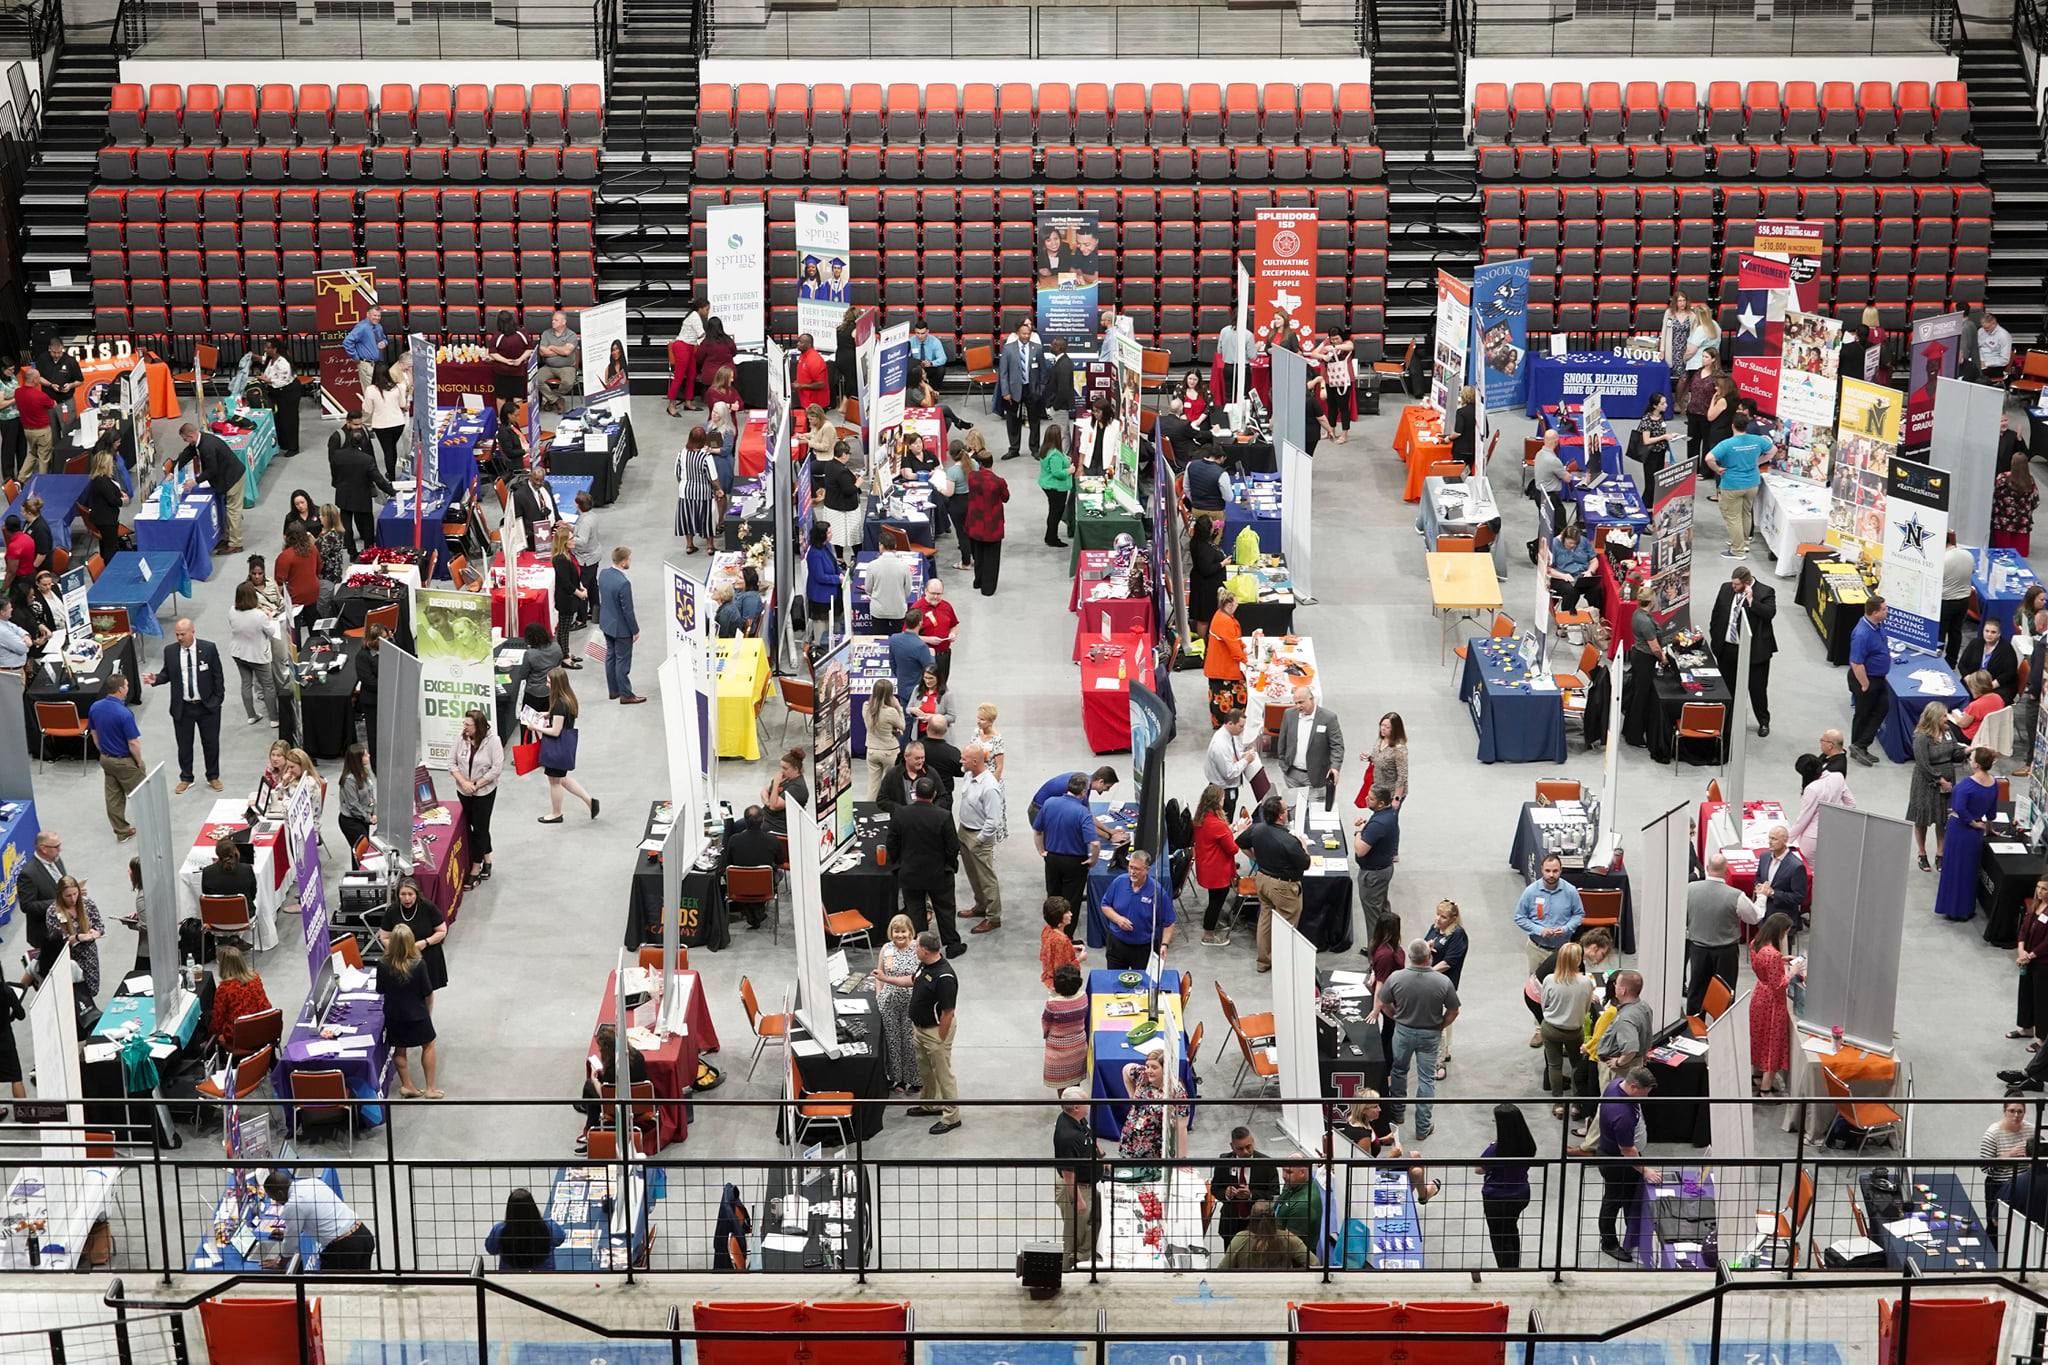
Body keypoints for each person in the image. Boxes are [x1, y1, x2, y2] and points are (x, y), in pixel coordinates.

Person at [1570, 1066, 1662, 1264]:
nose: (1646, 1096)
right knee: (1613, 1201)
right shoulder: (1622, 1115)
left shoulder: (1616, 1084)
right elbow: (1627, 1150)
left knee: (1629, 1198)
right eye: (1645, 1092)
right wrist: (1645, 1170)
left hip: (1620, 1157)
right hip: (1617, 1163)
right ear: (1633, 1086)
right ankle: (1609, 1243)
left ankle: (1633, 1236)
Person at [1376, 938, 1459, 1141]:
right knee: (1426, 1079)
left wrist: (1396, 1017)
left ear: (1410, 957)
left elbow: (1383, 1002)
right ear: (1429, 957)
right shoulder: (1442, 982)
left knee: (1398, 1071)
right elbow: (1453, 1010)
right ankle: (1422, 1127)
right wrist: (1440, 1025)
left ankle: (1397, 1114)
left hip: (1403, 1032)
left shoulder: (1397, 978)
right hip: (1429, 1035)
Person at [144, 618, 225, 792]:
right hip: (183, 707)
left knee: (211, 744)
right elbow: (167, 674)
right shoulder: (170, 651)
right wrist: (156, 679)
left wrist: (218, 699)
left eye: (183, 634)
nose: (180, 638)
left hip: (207, 707)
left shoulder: (208, 649)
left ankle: (213, 776)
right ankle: (186, 777)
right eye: (177, 634)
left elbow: (218, 675)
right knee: (184, 745)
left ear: (192, 632)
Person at [888, 775, 963, 956]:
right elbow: (953, 846)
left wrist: (899, 864)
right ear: (934, 794)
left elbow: (891, 843)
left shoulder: (901, 814)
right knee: (945, 909)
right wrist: (949, 864)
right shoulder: (943, 816)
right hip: (939, 873)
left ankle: (921, 947)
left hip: (910, 872)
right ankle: (952, 945)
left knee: (915, 910)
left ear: (914, 794)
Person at [1240, 793, 1310, 973]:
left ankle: (1263, 961)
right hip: (1284, 887)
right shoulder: (1289, 841)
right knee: (1287, 926)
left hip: (1262, 880)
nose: (1288, 812)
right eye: (1286, 810)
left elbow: (1240, 841)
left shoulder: (1257, 829)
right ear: (1280, 816)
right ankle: (1282, 964)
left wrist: (1256, 858)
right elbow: (1305, 863)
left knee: (1265, 920)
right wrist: (1304, 847)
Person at [1686, 853, 1762, 1015]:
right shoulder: (1736, 895)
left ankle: (1693, 1026)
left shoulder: (1690, 889)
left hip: (1698, 949)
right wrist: (1761, 898)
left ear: (1707, 868)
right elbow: (1754, 917)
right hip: (1725, 953)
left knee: (1697, 990)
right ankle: (1722, 1026)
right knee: (1725, 994)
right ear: (1726, 871)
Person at [1935, 747, 2002, 922]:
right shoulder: (1994, 783)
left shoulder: (1965, 786)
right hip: (1975, 834)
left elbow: (1959, 808)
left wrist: (1972, 822)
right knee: (1969, 870)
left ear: (1977, 765)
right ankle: (1965, 909)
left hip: (1960, 830)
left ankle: (1951, 908)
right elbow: (1992, 811)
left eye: (1972, 759)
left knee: (1954, 868)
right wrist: (1987, 828)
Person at [1709, 566, 1778, 736]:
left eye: (1736, 585)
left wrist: (1752, 601)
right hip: (1728, 649)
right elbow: (1717, 612)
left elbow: (1769, 613)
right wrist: (1715, 635)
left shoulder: (1765, 592)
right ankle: (1728, 720)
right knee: (1727, 687)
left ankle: (1763, 721)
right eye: (1732, 584)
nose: (1733, 587)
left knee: (1757, 689)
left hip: (1754, 652)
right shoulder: (1726, 588)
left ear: (1747, 583)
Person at [261, 1170, 376, 1271]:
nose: (277, 1202)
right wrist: (289, 1232)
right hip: (363, 1234)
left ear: (280, 1193)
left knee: (330, 1287)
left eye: (274, 1198)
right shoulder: (312, 1182)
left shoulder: (293, 1204)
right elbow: (315, 1213)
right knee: (362, 1284)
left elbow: (291, 1241)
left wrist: (280, 1263)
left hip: (344, 1249)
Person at [377, 922, 440, 1098]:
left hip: (394, 1014)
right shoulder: (418, 964)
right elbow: (428, 993)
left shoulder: (382, 964)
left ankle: (407, 1086)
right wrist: (428, 1013)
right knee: (428, 1045)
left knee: (399, 1049)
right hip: (418, 1014)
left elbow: (380, 989)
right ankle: (430, 1088)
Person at [907, 930, 961, 1134]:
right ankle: (931, 1104)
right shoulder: (925, 965)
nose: (914, 949)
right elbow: (912, 980)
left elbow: (948, 1012)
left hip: (935, 1032)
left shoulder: (945, 977)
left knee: (943, 1075)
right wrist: (885, 978)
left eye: (916, 946)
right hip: (920, 1028)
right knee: (926, 1070)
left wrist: (940, 1039)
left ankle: (952, 1117)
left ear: (925, 950)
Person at [1472, 1104, 1538, 1269]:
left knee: (1499, 1238)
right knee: (1511, 1228)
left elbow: (1479, 1169)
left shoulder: (1496, 1149)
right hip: (1521, 1193)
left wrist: (1491, 1146)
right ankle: (1514, 1266)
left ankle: (1506, 1270)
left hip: (1497, 1198)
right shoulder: (1528, 1144)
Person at [532, 667, 598, 823]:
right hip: (564, 747)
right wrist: (548, 714)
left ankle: (556, 814)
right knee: (562, 778)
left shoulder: (558, 704)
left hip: (556, 748)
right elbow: (561, 717)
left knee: (555, 782)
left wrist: (535, 727)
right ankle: (590, 802)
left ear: (556, 684)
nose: (546, 684)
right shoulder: (568, 698)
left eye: (549, 682)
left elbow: (555, 731)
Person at [956, 743, 1007, 934]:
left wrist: (980, 839)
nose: (961, 761)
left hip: (978, 836)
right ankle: (980, 906)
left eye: (964, 758)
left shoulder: (990, 787)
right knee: (972, 874)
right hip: (964, 831)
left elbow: (993, 820)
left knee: (986, 878)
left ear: (976, 761)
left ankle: (993, 917)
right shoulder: (969, 775)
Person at [447, 709, 501, 890]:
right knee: (475, 826)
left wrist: (476, 785)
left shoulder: (493, 741)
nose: (465, 727)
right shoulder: (460, 738)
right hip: (463, 791)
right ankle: (487, 858)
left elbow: (496, 768)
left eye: (468, 725)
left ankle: (476, 868)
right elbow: (451, 763)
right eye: (464, 723)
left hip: (484, 793)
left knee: (480, 828)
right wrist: (464, 782)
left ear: (478, 726)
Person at [1537, 941, 1594, 1111]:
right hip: (1574, 1031)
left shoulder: (1549, 979)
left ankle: (1558, 1103)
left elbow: (1544, 1005)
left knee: (1554, 1065)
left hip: (1551, 1028)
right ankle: (1576, 1104)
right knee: (1576, 1064)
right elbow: (1587, 1008)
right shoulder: (1586, 982)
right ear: (1578, 960)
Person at [173, 420, 246, 553]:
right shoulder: (199, 440)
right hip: (226, 476)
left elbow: (212, 470)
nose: (185, 441)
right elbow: (187, 453)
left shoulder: (207, 446)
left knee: (233, 511)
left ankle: (236, 544)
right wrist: (174, 469)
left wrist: (195, 481)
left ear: (191, 436)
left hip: (233, 478)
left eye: (185, 439)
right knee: (229, 510)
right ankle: (228, 538)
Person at [1704, 410, 1770, 558]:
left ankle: (1737, 550)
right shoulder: (1757, 440)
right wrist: (1758, 462)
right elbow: (1773, 450)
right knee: (1746, 513)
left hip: (1732, 485)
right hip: (1752, 483)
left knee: (1733, 518)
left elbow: (1709, 458)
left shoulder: (1726, 444)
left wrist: (1717, 469)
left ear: (1733, 425)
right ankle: (1744, 542)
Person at [1749, 911, 1801, 1097]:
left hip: (1759, 996)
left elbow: (1764, 967)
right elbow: (1778, 985)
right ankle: (1765, 1088)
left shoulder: (1756, 944)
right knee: (1773, 1042)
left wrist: (1782, 960)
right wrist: (1792, 972)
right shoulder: (1772, 954)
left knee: (1759, 1038)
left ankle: (1757, 1074)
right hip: (1772, 1003)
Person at [868, 914, 922, 1092]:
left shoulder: (917, 948)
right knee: (892, 1042)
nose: (899, 935)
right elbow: (879, 974)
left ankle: (915, 1079)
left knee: (910, 1042)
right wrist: (879, 995)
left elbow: (920, 977)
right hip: (889, 1003)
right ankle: (897, 1079)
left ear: (910, 931)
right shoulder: (886, 948)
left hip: (911, 1003)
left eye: (903, 931)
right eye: (896, 931)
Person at [327, 412, 394, 555]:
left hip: (344, 492)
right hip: (362, 492)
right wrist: (393, 492)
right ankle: (368, 552)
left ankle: (352, 553)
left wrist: (340, 483)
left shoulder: (339, 455)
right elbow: (378, 479)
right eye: (355, 424)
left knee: (347, 523)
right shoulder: (364, 459)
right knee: (367, 522)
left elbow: (334, 465)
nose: (359, 427)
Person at [1099, 849, 1175, 971]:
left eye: (1137, 869)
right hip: (1117, 945)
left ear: (1147, 869)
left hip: (1144, 949)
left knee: (1142, 981)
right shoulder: (1119, 882)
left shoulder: (1157, 892)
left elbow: (1169, 922)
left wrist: (1164, 944)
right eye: (1130, 867)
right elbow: (1105, 905)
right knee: (1115, 979)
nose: (1132, 872)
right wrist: (1118, 919)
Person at [1789, 734, 1857, 867]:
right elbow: (1851, 804)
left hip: (1812, 838)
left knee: (1810, 871)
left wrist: (1787, 839)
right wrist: (1836, 819)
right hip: (1834, 832)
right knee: (1829, 867)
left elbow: (1804, 819)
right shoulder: (1838, 776)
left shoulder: (1812, 789)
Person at [1052, 1085, 1100, 1269]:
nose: (1090, 1104)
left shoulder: (1076, 1119)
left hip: (1086, 1184)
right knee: (1075, 1233)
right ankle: (1068, 1267)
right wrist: (1078, 1200)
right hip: (1076, 1187)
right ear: (1076, 1107)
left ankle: (1084, 1258)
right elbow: (1068, 1174)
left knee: (1090, 1224)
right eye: (1086, 1102)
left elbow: (1088, 1134)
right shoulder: (1068, 1137)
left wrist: (1100, 1156)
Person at [90, 672, 143, 838]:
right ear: (120, 689)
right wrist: (139, 762)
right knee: (143, 793)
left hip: (106, 759)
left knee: (113, 797)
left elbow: (94, 733)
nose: (128, 687)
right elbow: (133, 743)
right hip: (124, 761)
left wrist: (103, 752)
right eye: (126, 685)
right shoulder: (124, 713)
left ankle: (122, 831)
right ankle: (150, 825)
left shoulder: (95, 707)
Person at [1514, 853, 1585, 971]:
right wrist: (1539, 930)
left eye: (1555, 871)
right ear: (1541, 870)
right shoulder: (1531, 891)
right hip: (1537, 949)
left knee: (1562, 980)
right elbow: (1519, 917)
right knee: (1535, 981)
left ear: (1561, 870)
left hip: (1562, 950)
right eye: (1547, 871)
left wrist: (1566, 929)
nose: (1551, 875)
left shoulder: (1570, 891)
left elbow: (1579, 914)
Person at [1191, 784, 1242, 947]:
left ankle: (1213, 923)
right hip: (1217, 870)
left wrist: (1230, 830)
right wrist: (1238, 832)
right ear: (1217, 801)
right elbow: (1233, 849)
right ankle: (1208, 935)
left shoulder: (1201, 818)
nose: (1224, 800)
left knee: (1214, 899)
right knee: (1216, 901)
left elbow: (1217, 838)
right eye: (1222, 798)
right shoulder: (1217, 824)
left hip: (1207, 866)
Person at [1117, 1049, 1190, 1161]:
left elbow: (1181, 1128)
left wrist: (1181, 1160)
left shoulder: (1177, 1093)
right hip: (1129, 1142)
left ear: (1166, 1069)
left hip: (1152, 1150)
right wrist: (1132, 1096)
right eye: (1147, 1066)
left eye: (1154, 1067)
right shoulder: (1142, 1075)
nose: (1148, 1071)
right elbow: (1126, 1069)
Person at [42, 875, 104, 1001]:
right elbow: (58, 940)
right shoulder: (53, 912)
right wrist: (77, 937)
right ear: (60, 895)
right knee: (71, 995)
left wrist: (96, 933)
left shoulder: (88, 903)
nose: (73, 899)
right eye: (68, 896)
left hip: (89, 956)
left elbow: (100, 925)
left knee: (91, 991)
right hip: (69, 958)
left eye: (75, 894)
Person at [1848, 596, 1893, 766]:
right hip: (1865, 679)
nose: (1887, 611)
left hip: (1877, 678)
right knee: (1863, 714)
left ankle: (1860, 745)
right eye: (1884, 609)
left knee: (1882, 708)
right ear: (1875, 612)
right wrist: (1865, 684)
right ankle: (1858, 746)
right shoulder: (1862, 634)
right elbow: (1856, 663)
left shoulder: (1878, 625)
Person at [595, 545, 643, 704]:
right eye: (629, 559)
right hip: (621, 629)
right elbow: (628, 611)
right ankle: (626, 695)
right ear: (623, 562)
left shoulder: (603, 573)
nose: (630, 561)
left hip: (607, 623)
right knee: (622, 661)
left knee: (611, 656)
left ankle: (614, 690)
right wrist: (635, 630)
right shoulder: (623, 583)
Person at [1351, 785, 1399, 945]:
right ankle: (1389, 944)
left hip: (1373, 876)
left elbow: (1360, 850)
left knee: (1373, 918)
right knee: (1383, 910)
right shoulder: (1391, 813)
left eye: (1371, 799)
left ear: (1381, 803)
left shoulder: (1378, 823)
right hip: (1384, 869)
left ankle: (1375, 954)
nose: (1366, 799)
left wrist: (1359, 832)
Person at [1275, 687, 1343, 796]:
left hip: (1316, 777)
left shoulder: (1328, 718)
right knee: (1294, 804)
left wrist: (1335, 768)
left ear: (1311, 699)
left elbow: (1337, 746)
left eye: (1301, 702)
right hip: (1291, 774)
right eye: (1296, 703)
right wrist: (1282, 762)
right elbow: (1282, 739)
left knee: (1314, 805)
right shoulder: (1289, 714)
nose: (1298, 706)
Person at [486, 1188, 567, 1271]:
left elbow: (491, 1249)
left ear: (510, 1209)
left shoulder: (499, 1230)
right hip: (544, 1274)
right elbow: (560, 1239)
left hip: (510, 1276)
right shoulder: (549, 1227)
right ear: (533, 1207)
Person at [998, 318, 1045, 460]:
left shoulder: (1037, 348)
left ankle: (1035, 449)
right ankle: (1014, 449)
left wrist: (1040, 389)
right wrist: (1005, 391)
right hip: (1013, 391)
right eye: (1024, 334)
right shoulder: (1008, 348)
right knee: (1012, 420)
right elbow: (1003, 373)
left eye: (1028, 334)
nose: (1026, 336)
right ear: (1017, 333)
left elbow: (1043, 371)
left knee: (1034, 421)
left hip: (1032, 390)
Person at [1203, 709, 1262, 820]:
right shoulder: (1220, 744)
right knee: (1224, 821)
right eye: (1241, 726)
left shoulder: (1232, 735)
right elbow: (1229, 773)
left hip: (1229, 788)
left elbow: (1235, 753)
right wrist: (1246, 760)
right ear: (1230, 724)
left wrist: (1243, 755)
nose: (1243, 729)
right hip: (1222, 792)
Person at [965, 450, 1008, 597]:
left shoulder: (972, 477)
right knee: (991, 558)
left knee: (978, 555)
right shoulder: (999, 481)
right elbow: (1006, 497)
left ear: (980, 463)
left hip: (975, 524)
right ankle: (988, 588)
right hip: (992, 526)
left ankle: (978, 581)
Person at [1204, 592, 1250, 727]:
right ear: (1229, 605)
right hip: (1223, 670)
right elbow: (1233, 647)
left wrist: (1243, 647)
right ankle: (1231, 724)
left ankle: (1224, 722)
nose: (1237, 606)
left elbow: (1235, 639)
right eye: (1236, 603)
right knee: (1232, 697)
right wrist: (1247, 661)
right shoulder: (1225, 621)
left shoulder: (1221, 615)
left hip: (1218, 666)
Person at [1043, 962, 1089, 1094]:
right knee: (1075, 1082)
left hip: (1058, 1051)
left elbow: (1045, 1024)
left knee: (1062, 1088)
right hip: (1078, 1046)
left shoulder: (1052, 1004)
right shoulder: (1084, 997)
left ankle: (1066, 1106)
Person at [363, 364, 410, 484]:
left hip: (381, 425)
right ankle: (391, 474)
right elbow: (402, 404)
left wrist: (364, 403)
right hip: (398, 423)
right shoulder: (398, 387)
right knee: (392, 447)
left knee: (388, 450)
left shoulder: (371, 390)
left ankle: (392, 478)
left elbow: (368, 409)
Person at [1753, 824, 1809, 922]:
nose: (1770, 842)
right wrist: (1759, 886)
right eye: (1769, 838)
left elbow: (1798, 897)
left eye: (1774, 839)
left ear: (1785, 841)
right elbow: (1758, 877)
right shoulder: (1764, 857)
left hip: (1782, 919)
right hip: (1763, 915)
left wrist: (1773, 893)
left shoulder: (1796, 867)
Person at [1961, 616, 2022, 704]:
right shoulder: (1975, 643)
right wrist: (1970, 680)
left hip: (1997, 686)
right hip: (1975, 682)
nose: (1989, 634)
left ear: (1999, 634)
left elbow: (2009, 674)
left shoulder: (2007, 649)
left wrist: (1989, 687)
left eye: (1993, 632)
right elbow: (1962, 664)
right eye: (1987, 631)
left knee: (1986, 700)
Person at [1273, 1165, 1324, 1264]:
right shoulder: (1293, 1184)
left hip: (1295, 1261)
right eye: (1283, 1170)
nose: (1284, 1176)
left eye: (1289, 1172)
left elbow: (1290, 1245)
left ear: (1302, 1173)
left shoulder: (1302, 1205)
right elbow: (1278, 1203)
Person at [802, 523, 843, 646]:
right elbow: (820, 576)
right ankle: (820, 649)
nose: (831, 534)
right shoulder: (814, 553)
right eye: (829, 532)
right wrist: (837, 579)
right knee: (822, 628)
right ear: (821, 535)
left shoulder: (827, 546)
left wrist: (841, 573)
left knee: (834, 624)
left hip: (832, 594)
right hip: (820, 597)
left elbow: (834, 564)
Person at [863, 680, 906, 799]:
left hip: (872, 750)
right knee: (890, 784)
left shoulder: (866, 706)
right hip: (889, 752)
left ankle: (870, 807)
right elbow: (902, 726)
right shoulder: (890, 712)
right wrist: (899, 708)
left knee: (873, 786)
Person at [914, 578, 961, 684]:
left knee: (942, 683)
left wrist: (953, 634)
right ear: (926, 591)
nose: (936, 597)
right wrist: (928, 639)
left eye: (939, 594)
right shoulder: (917, 609)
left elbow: (954, 625)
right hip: (925, 656)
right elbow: (908, 636)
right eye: (933, 593)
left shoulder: (946, 606)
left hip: (943, 655)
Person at [1941, 532, 1978, 665]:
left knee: (1940, 633)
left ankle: (1937, 661)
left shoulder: (1942, 560)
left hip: (1946, 601)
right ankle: (1952, 662)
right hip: (1964, 600)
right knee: (1956, 632)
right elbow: (1972, 572)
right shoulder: (1967, 554)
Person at [667, 299, 709, 414]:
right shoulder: (695, 316)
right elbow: (702, 334)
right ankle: (671, 405)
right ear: (700, 308)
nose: (708, 312)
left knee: (692, 375)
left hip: (690, 346)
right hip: (682, 346)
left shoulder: (695, 316)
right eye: (707, 309)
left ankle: (688, 402)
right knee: (679, 376)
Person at [1547, 523, 1600, 612]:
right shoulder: (1554, 544)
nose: (1573, 546)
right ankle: (1567, 615)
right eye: (1570, 543)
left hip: (1580, 575)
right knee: (1571, 592)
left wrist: (1590, 571)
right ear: (1563, 538)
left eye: (1576, 544)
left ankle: (1595, 614)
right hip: (1561, 577)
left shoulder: (1583, 541)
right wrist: (1563, 576)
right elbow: (1548, 569)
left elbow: (1594, 560)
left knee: (1596, 589)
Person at [83, 451, 126, 558]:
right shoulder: (103, 482)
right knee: (110, 548)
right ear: (105, 465)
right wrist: (124, 500)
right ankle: (110, 565)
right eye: (111, 463)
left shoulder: (99, 479)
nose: (112, 465)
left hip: (102, 518)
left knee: (106, 545)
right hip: (106, 520)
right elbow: (113, 500)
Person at [1037, 425, 1073, 548]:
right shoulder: (1055, 455)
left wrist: (1066, 459)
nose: (1063, 436)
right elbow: (1057, 473)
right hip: (1056, 488)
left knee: (1053, 511)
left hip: (1048, 485)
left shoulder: (1046, 449)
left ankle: (1050, 536)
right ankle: (1052, 538)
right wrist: (1069, 470)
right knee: (1056, 513)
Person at [536, 311, 580, 410]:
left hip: (567, 367)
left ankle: (551, 399)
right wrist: (561, 351)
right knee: (536, 379)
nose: (553, 322)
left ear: (563, 322)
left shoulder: (571, 335)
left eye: (556, 320)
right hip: (549, 367)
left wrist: (552, 347)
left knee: (568, 382)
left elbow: (567, 352)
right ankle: (556, 400)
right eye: (552, 320)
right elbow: (542, 352)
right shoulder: (546, 333)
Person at [1951, 669, 2008, 744]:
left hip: (1970, 737)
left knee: (1942, 721)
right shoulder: (1998, 698)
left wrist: (1954, 715)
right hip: (1989, 735)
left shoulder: (1975, 705)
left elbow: (1962, 724)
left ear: (1975, 688)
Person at [343, 303, 388, 395]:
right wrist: (355, 357)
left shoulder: (379, 326)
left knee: (379, 392)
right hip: (367, 365)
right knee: (370, 394)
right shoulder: (361, 327)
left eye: (379, 316)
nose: (377, 318)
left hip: (378, 365)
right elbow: (347, 342)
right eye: (374, 315)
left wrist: (385, 342)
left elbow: (384, 339)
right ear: (368, 314)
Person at [1978, 308, 2015, 381]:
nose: (1985, 330)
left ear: (1994, 323)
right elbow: (1978, 347)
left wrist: (1986, 363)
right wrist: (1979, 360)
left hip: (1995, 366)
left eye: (1987, 328)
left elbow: (2004, 360)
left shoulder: (2004, 336)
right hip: (1981, 361)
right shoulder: (1981, 331)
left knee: (1974, 373)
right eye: (1983, 327)